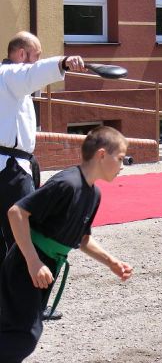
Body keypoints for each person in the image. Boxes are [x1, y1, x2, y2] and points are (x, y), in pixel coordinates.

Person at [0, 126, 133, 363]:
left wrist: (111, 262)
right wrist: (33, 261)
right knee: (23, 335)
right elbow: (16, 212)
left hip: (45, 268)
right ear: (102, 155)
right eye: (121, 158)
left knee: (18, 330)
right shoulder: (67, 183)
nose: (122, 165)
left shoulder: (93, 194)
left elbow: (82, 238)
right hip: (25, 266)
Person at [0, 32, 86, 320]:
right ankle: (25, 306)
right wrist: (63, 62)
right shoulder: (11, 75)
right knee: (23, 234)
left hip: (12, 165)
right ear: (22, 55)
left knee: (8, 236)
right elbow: (33, 74)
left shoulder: (10, 83)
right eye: (35, 56)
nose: (38, 61)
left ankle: (10, 304)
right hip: (10, 170)